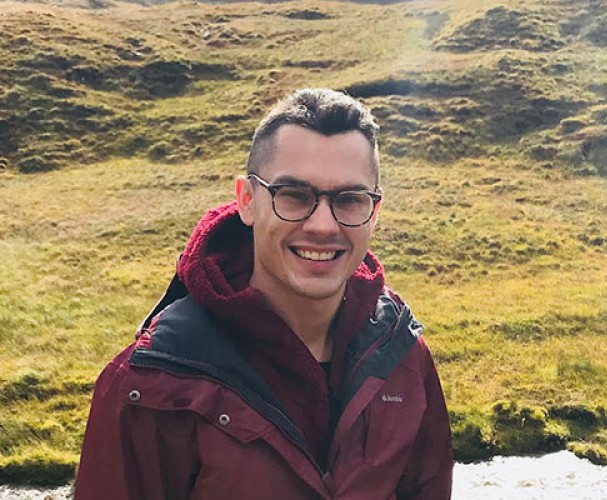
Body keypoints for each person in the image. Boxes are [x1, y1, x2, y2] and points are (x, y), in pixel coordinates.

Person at [75, 88, 453, 499]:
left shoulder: (402, 356)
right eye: (294, 195)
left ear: (374, 213)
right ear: (247, 200)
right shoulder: (151, 384)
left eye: (349, 200)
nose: (324, 226)